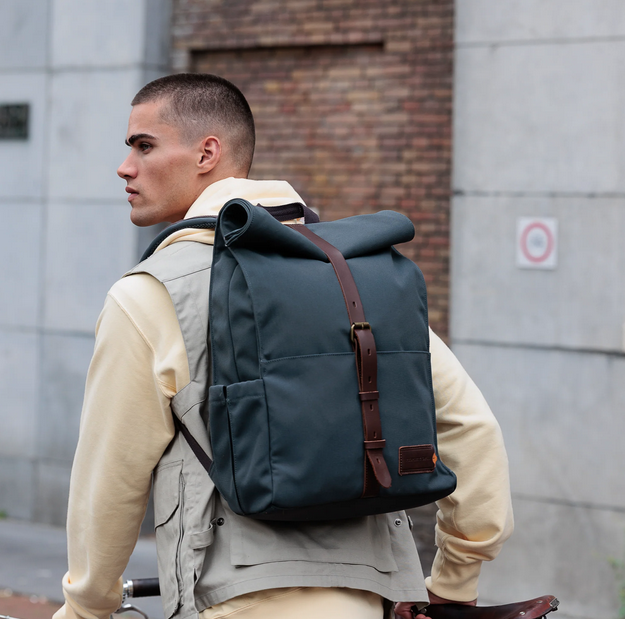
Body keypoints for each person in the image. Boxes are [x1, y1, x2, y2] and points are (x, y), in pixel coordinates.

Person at [53, 73, 513, 619]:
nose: (125, 167)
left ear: (206, 154)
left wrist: (85, 608)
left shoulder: (150, 294)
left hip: (236, 603)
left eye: (144, 146)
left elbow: (109, 481)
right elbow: (472, 430)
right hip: (373, 599)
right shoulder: (353, 280)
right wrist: (456, 580)